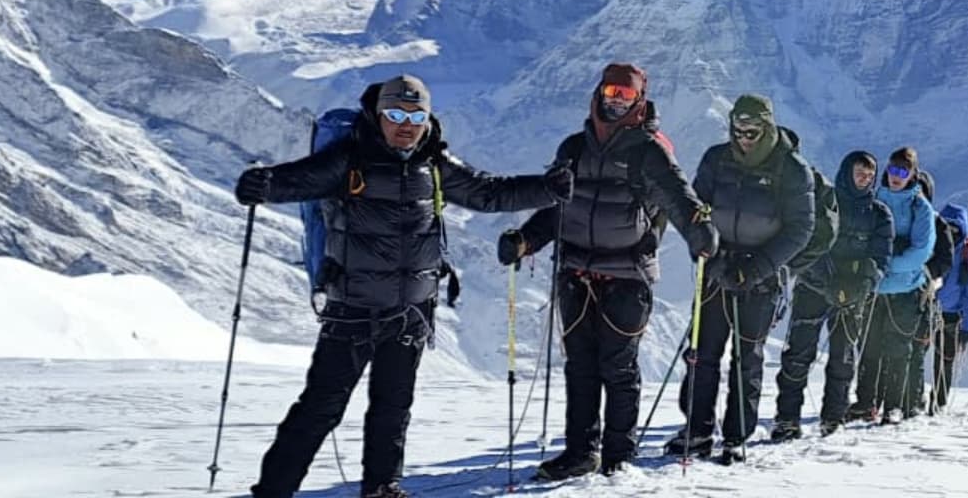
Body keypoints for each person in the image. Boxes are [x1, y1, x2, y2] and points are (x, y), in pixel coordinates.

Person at [235, 75, 569, 498]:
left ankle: (382, 487)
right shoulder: (348, 158)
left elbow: (489, 193)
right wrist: (263, 185)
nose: (406, 124)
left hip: (409, 313)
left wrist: (546, 189)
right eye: (396, 114)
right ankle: (272, 490)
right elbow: (300, 179)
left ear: (428, 118)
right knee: (320, 408)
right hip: (350, 311)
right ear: (379, 115)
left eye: (416, 115)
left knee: (392, 410)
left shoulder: (435, 164)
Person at [497, 63, 719, 479]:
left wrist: (698, 230)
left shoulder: (649, 152)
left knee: (618, 367)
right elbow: (553, 207)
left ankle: (619, 455)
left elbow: (677, 197)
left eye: (626, 93)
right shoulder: (572, 149)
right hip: (576, 272)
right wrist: (524, 241)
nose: (616, 99)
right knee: (579, 366)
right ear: (599, 92)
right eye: (611, 90)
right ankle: (580, 452)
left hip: (628, 274)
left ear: (639, 100)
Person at [667, 95, 816, 463]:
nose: (744, 139)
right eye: (738, 131)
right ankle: (698, 429)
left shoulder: (792, 169)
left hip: (760, 279)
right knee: (702, 354)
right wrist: (712, 259)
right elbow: (694, 213)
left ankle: (736, 435)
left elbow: (801, 229)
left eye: (752, 132)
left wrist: (757, 268)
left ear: (767, 128)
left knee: (747, 358)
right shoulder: (716, 159)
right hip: (716, 269)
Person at [772, 151, 893, 440]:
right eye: (859, 172)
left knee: (843, 358)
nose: (864, 179)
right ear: (846, 172)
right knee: (798, 355)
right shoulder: (825, 202)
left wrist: (860, 285)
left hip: (853, 294)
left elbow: (881, 258)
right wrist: (827, 283)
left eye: (869, 175)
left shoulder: (879, 214)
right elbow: (807, 245)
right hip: (813, 288)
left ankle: (833, 418)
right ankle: (787, 418)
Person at [849, 146, 936, 425]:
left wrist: (885, 265)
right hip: (875, 287)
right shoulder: (874, 199)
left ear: (912, 174)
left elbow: (923, 250)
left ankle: (893, 406)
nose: (897, 176)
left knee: (898, 349)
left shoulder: (920, 206)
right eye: (893, 169)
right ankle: (865, 403)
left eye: (903, 171)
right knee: (869, 347)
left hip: (904, 289)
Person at [930, 204, 968, 411]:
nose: (951, 233)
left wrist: (967, 326)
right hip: (931, 312)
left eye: (955, 228)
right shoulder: (933, 246)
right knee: (918, 359)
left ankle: (938, 403)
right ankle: (915, 401)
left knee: (944, 362)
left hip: (950, 317)